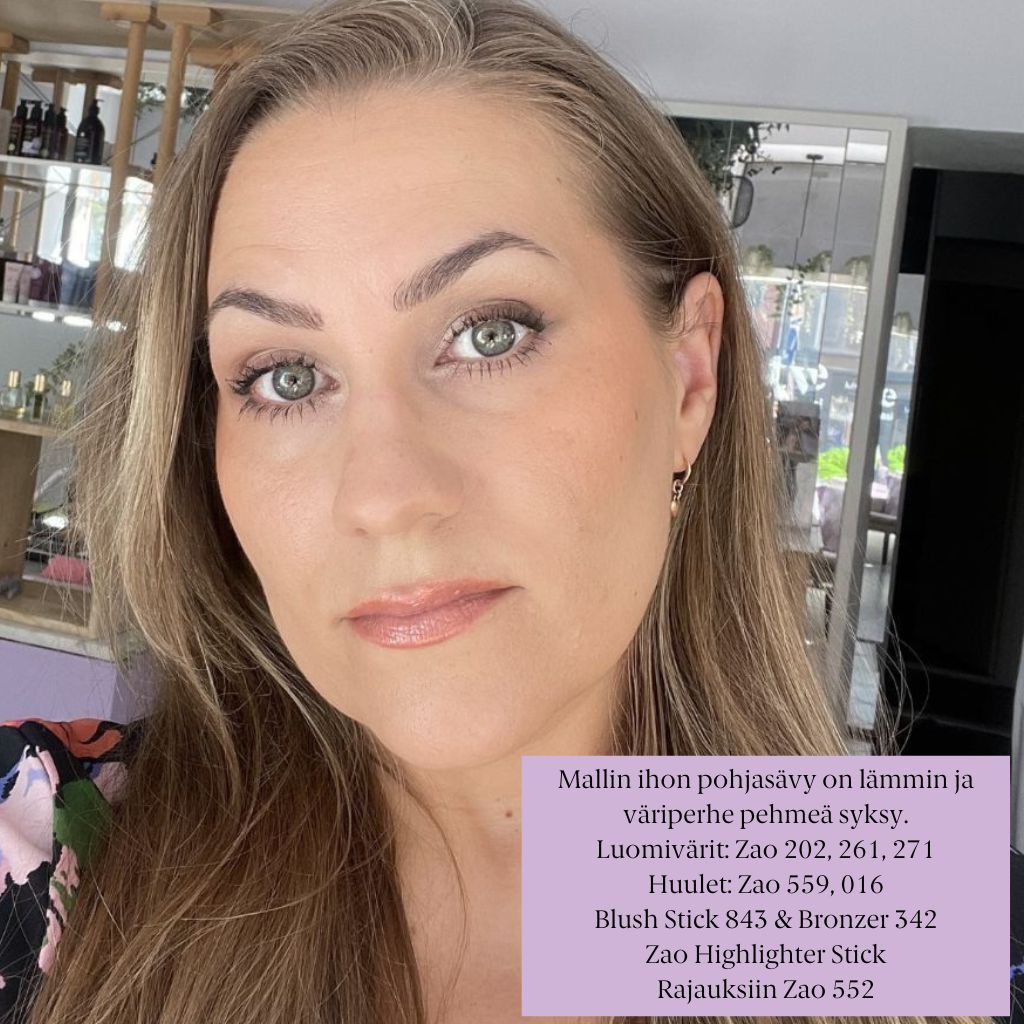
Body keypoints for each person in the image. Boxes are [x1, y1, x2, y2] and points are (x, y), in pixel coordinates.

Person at [0, 1, 1012, 1022]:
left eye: (490, 334)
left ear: (689, 379)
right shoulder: (42, 845)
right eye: (286, 377)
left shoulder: (860, 901)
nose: (385, 495)